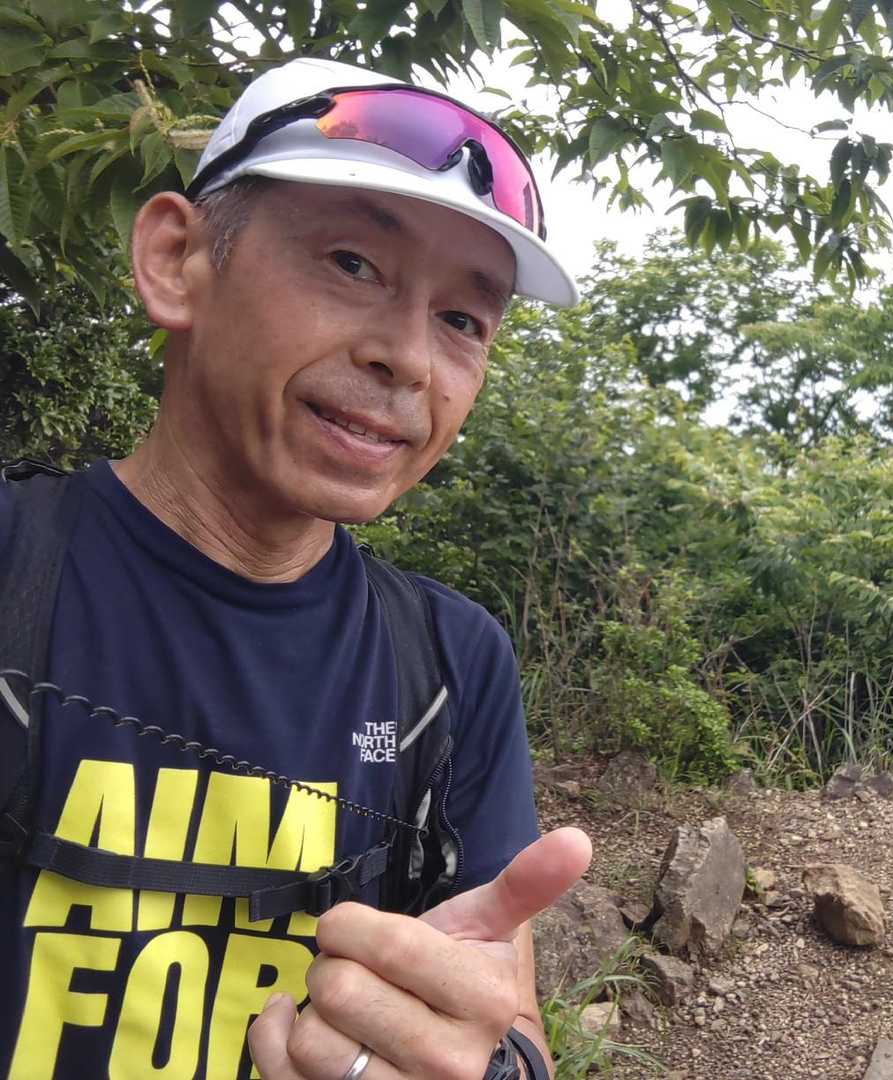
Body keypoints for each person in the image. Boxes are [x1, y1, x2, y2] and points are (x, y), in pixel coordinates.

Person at [0, 56, 593, 1079]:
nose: (410, 358)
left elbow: (511, 1022)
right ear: (177, 259)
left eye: (463, 320)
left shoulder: (452, 666)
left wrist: (488, 1065)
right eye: (353, 263)